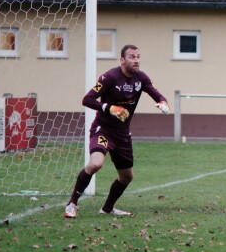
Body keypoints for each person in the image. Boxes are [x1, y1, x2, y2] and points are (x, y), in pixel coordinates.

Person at [64, 44, 170, 218]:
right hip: (103, 131)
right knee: (95, 164)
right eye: (132, 57)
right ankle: (72, 204)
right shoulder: (110, 77)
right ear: (122, 60)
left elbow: (156, 94)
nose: (136, 61)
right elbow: (87, 99)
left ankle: (107, 208)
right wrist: (109, 108)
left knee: (127, 177)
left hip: (122, 135)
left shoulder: (141, 78)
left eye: (138, 57)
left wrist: (163, 103)